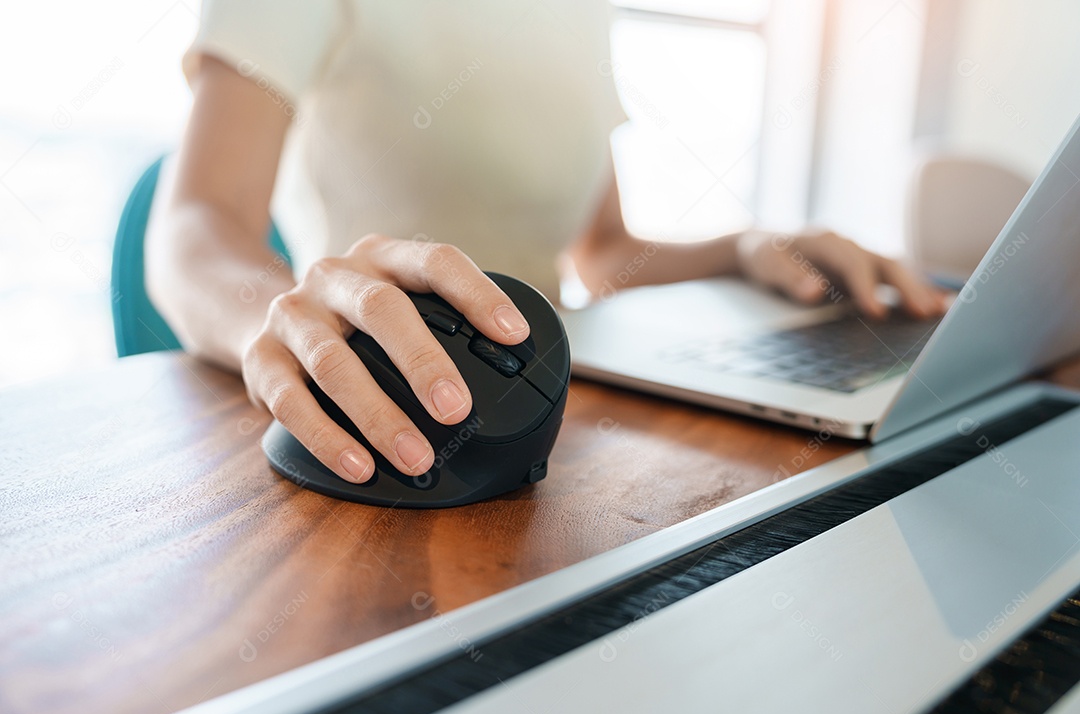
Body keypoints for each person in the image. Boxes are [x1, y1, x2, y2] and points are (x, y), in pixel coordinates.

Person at [146, 0, 944, 487]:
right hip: (380, 392)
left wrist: (746, 247)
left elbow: (604, 252)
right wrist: (281, 324)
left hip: (556, 411)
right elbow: (194, 223)